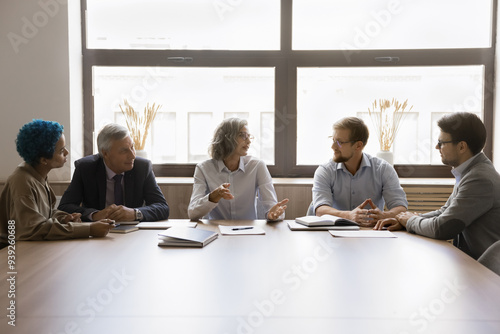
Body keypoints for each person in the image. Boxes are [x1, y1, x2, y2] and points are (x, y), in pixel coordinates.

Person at [375, 112, 500, 259]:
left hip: (487, 273)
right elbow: (445, 211)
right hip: (471, 263)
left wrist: (410, 221)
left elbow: (442, 228)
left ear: (461, 147)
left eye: (441, 143)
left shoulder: (479, 178)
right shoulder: (471, 171)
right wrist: (403, 221)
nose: (436, 147)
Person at [0, 120, 114, 248]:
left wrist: (65, 218)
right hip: (11, 254)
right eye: (61, 151)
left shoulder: (37, 174)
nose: (67, 153)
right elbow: (32, 229)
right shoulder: (22, 182)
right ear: (44, 160)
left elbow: (45, 214)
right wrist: (89, 229)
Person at [58, 123, 169, 222]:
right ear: (105, 154)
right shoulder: (86, 168)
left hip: (133, 233)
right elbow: (65, 207)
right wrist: (95, 215)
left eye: (132, 147)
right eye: (124, 150)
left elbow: (162, 207)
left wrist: (135, 213)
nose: (133, 155)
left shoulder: (142, 167)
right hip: (96, 234)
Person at [311, 117, 407, 226]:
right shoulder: (325, 171)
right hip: (334, 232)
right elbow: (320, 210)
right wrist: (348, 216)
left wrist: (385, 216)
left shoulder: (383, 169)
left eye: (339, 142)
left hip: (372, 234)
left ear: (358, 145)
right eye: (333, 140)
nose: (333, 147)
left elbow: (400, 207)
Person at [188, 118, 288, 220]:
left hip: (249, 232)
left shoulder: (257, 166)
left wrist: (274, 215)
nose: (248, 141)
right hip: (216, 232)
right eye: (243, 136)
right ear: (227, 138)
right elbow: (192, 213)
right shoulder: (203, 169)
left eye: (249, 137)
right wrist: (213, 197)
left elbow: (273, 208)